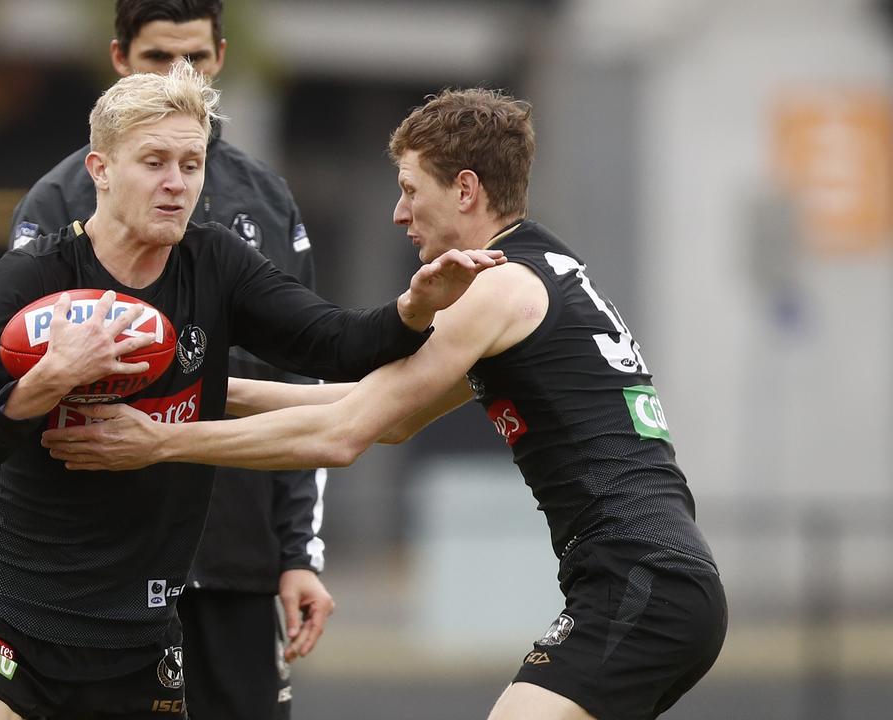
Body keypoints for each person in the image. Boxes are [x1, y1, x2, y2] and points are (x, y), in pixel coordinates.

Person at [42, 88, 728, 720]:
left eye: (409, 189)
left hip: (641, 583)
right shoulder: (539, 271)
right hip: (657, 582)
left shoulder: (497, 288)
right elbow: (388, 412)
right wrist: (197, 389)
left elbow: (345, 433)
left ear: (465, 189)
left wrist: (158, 439)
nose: (399, 212)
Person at [0, 62, 499, 720]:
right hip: (6, 611)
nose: (176, 184)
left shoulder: (215, 264)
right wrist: (43, 383)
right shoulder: (35, 275)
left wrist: (413, 308)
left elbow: (338, 343)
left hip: (135, 633)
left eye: (191, 164)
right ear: (100, 169)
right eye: (154, 162)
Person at [8, 2, 332, 716]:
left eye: (197, 59)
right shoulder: (61, 197)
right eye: (158, 58)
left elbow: (300, 381)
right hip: (103, 563)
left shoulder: (267, 198)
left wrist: (298, 553)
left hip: (238, 556)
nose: (180, 76)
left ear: (220, 56)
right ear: (119, 60)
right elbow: (17, 379)